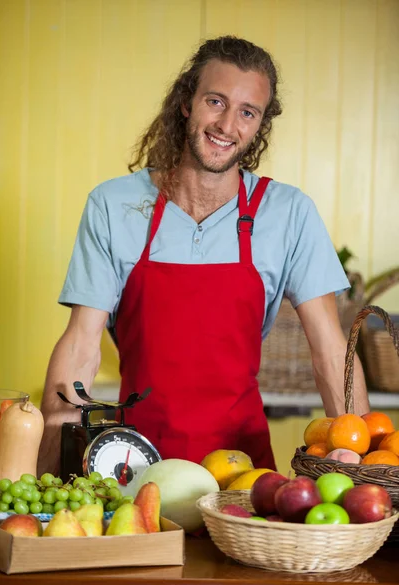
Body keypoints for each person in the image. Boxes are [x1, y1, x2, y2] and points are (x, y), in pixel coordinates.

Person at [38, 36, 369, 477]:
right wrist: (44, 477)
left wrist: (365, 473)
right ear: (186, 103)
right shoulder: (114, 205)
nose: (227, 125)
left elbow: (330, 351)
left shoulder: (288, 213)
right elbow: (81, 346)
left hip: (242, 473)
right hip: (131, 467)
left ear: (259, 125)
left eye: (247, 112)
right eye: (216, 101)